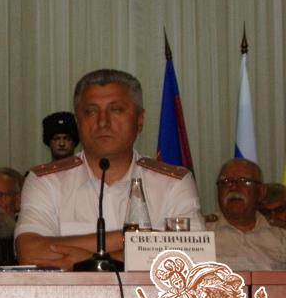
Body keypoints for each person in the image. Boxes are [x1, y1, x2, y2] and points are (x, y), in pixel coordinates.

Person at [14, 69, 204, 269]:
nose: (103, 122)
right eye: (91, 111)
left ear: (140, 120)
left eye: (116, 110)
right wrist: (135, 239)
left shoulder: (174, 182)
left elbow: (192, 256)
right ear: (78, 123)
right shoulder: (45, 181)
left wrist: (89, 262)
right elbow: (29, 253)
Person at [210, 158, 286, 270]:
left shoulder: (281, 235)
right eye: (225, 182)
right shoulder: (200, 232)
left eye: (244, 181)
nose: (233, 187)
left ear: (261, 192)